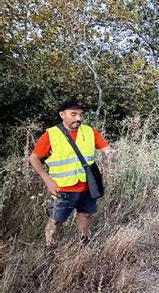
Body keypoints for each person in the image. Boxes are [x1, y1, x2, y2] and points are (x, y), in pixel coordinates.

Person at [28, 100, 117, 247]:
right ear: (62, 115)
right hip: (62, 187)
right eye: (73, 114)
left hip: (88, 185)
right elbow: (33, 158)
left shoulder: (89, 131)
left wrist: (109, 152)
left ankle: (85, 243)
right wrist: (48, 181)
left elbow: (105, 147)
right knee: (55, 220)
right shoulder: (51, 134)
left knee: (85, 214)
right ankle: (50, 248)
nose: (78, 118)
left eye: (81, 115)